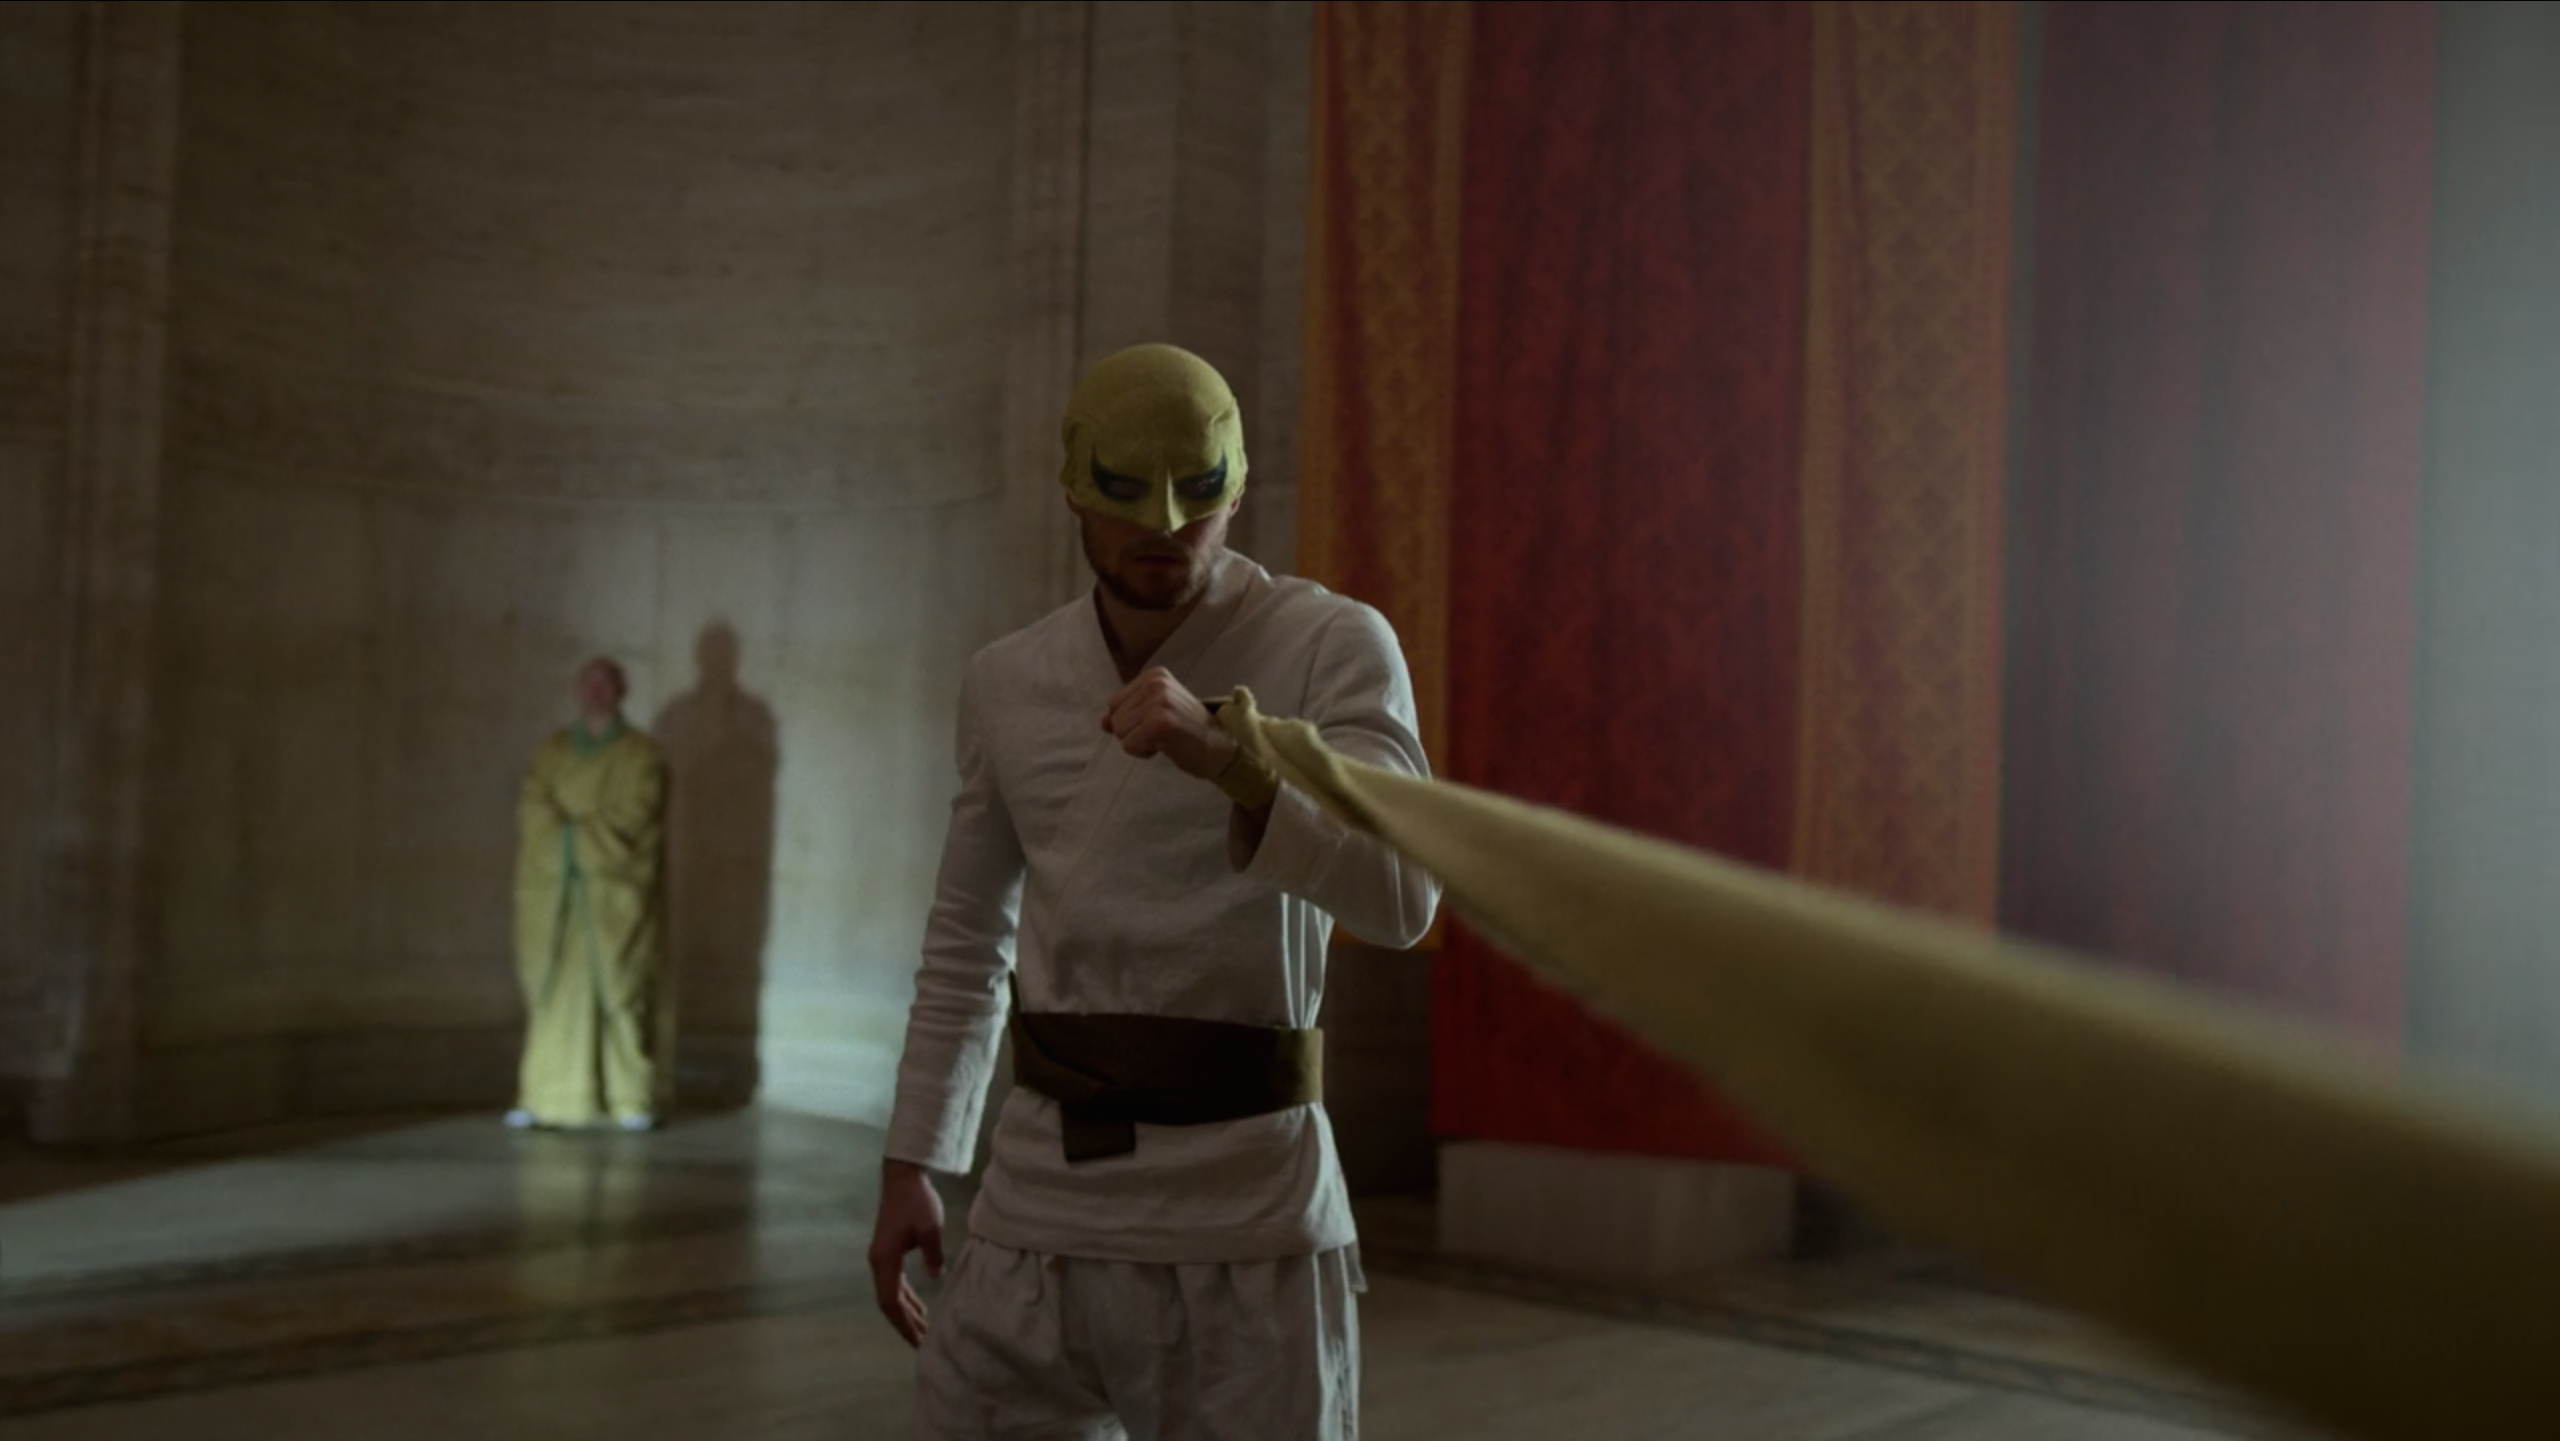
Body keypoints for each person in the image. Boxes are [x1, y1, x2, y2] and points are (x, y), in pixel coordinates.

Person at [868, 343, 1442, 1438]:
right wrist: (915, 1158)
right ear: (1074, 486)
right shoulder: (1009, 678)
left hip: (1245, 1213)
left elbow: (1403, 896)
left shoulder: (1331, 643)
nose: (1164, 526)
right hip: (1036, 1203)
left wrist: (1236, 762)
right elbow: (968, 936)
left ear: (1238, 484)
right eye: (1127, 491)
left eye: (1197, 493)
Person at [508, 656, 670, 1132]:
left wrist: (575, 841)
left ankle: (628, 1097)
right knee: (554, 991)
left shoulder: (641, 754)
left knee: (617, 989)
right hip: (556, 897)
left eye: (606, 683)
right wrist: (566, 844)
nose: (596, 692)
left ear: (621, 691)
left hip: (611, 898)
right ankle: (543, 1094)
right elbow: (532, 804)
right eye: (589, 683)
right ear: (577, 691)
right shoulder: (552, 750)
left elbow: (639, 813)